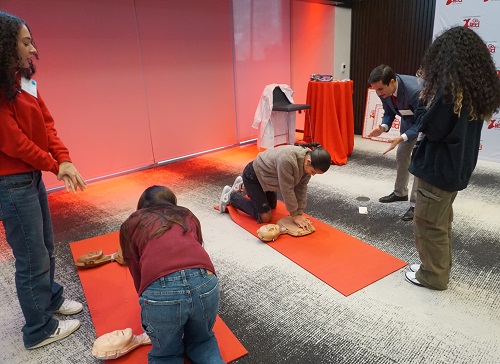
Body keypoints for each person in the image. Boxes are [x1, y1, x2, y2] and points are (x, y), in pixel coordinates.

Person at [0, 12, 87, 349]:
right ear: (5, 46)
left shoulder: (23, 80)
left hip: (30, 177)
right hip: (11, 183)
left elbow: (47, 126)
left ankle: (48, 299)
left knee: (46, 248)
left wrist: (63, 159)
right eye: (25, 42)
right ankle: (38, 329)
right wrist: (54, 165)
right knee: (31, 256)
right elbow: (13, 141)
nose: (33, 49)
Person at [405, 26, 500, 290]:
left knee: (428, 225)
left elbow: (432, 129)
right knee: (440, 221)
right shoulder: (474, 90)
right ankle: (433, 268)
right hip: (455, 168)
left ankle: (432, 276)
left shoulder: (449, 93)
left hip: (437, 168)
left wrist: (424, 102)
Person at [119, 186, 224, 364]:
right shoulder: (186, 214)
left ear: (141, 207)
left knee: (166, 355)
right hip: (206, 282)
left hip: (161, 290)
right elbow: (197, 246)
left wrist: (149, 303)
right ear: (171, 202)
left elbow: (136, 270)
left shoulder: (131, 223)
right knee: (203, 341)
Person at [219, 142, 331, 230]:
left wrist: (299, 212)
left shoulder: (307, 164)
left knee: (272, 206)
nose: (313, 175)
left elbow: (301, 188)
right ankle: (231, 196)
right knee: (265, 217)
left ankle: (243, 186)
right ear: (308, 161)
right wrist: (294, 215)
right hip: (254, 175)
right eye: (313, 172)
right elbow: (287, 189)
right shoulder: (287, 160)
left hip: (269, 178)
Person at [368, 65, 423, 221]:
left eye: (380, 90)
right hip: (408, 122)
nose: (378, 93)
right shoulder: (383, 90)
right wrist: (383, 127)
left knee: (418, 162)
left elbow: (422, 121)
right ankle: (400, 193)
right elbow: (389, 111)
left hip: (427, 124)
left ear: (392, 82)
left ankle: (415, 205)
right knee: (402, 156)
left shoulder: (415, 91)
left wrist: (402, 137)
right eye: (375, 90)